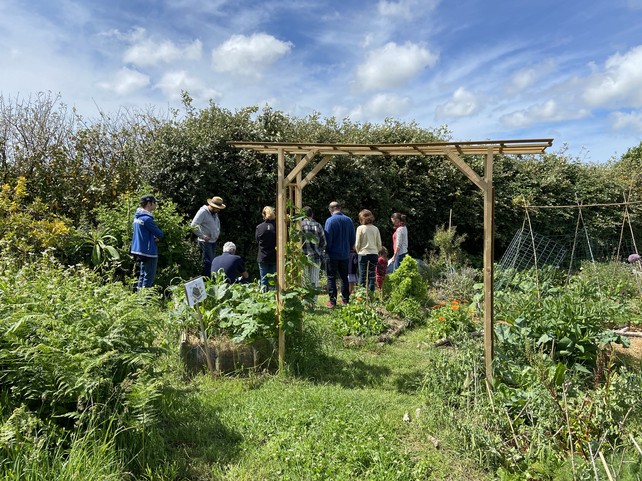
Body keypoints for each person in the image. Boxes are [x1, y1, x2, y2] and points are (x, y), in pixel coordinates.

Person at [324, 201, 356, 307]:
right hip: (345, 254)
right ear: (339, 208)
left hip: (332, 253)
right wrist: (348, 248)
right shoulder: (349, 220)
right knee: (344, 277)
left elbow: (328, 238)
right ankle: (345, 299)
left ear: (331, 210)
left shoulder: (330, 221)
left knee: (331, 277)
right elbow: (352, 238)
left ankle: (332, 301)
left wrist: (327, 250)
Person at [130, 194, 164, 290]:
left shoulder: (137, 217)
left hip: (139, 250)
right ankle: (144, 302)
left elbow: (143, 232)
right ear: (149, 203)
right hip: (148, 251)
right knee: (148, 278)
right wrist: (156, 237)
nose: (155, 205)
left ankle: (138, 298)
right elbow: (160, 234)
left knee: (142, 275)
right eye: (154, 202)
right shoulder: (147, 219)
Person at [191, 196, 226, 277]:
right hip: (205, 242)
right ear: (212, 206)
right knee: (208, 263)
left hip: (213, 241)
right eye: (217, 208)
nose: (218, 210)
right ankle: (207, 281)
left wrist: (217, 233)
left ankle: (209, 280)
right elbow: (193, 225)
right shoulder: (202, 212)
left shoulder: (214, 213)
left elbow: (216, 224)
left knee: (211, 262)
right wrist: (203, 236)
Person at [301, 206, 326, 302]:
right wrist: (320, 252)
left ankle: (305, 300)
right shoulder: (318, 225)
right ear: (312, 214)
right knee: (314, 279)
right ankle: (314, 301)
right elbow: (324, 242)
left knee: (304, 279)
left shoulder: (299, 225)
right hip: (316, 256)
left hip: (303, 256)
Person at [354, 209, 382, 292]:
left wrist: (358, 251)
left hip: (363, 254)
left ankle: (361, 296)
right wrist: (377, 251)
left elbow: (357, 243)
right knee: (372, 276)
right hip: (374, 253)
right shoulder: (375, 228)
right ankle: (371, 295)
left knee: (362, 276)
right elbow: (379, 244)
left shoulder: (360, 228)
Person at [255, 206, 277, 291]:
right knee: (275, 281)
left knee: (264, 280)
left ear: (264, 214)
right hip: (275, 257)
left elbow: (257, 240)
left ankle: (264, 299)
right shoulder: (278, 227)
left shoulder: (259, 227)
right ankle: (276, 299)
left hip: (263, 256)